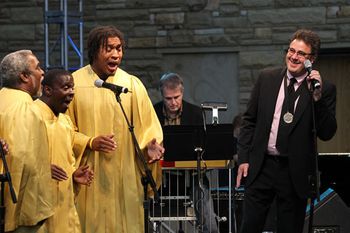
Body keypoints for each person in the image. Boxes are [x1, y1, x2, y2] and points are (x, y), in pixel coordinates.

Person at [236, 29, 337, 233]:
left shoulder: (323, 89)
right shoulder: (267, 78)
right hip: (261, 167)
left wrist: (317, 99)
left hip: (294, 173)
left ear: (312, 59)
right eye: (291, 50)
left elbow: (327, 132)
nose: (293, 56)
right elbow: (249, 121)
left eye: (301, 54)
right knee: (249, 227)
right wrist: (244, 158)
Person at [67, 25, 164, 233]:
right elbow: (61, 131)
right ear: (94, 51)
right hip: (89, 179)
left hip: (125, 179)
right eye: (109, 49)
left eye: (119, 49)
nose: (115, 54)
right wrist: (90, 142)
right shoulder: (73, 84)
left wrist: (150, 148)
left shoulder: (131, 85)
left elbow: (149, 128)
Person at [154, 72, 219, 233]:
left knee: (208, 217)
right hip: (161, 177)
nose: (173, 102)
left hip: (193, 177)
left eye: (176, 97)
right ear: (162, 95)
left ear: (182, 93)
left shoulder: (196, 113)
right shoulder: (152, 112)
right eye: (168, 99)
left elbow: (204, 146)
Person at [35, 69, 96, 233]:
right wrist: (42, 169)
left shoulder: (65, 121)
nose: (71, 93)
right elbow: (18, 155)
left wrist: (73, 174)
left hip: (65, 204)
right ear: (47, 90)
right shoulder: (31, 115)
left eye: (73, 88)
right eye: (66, 87)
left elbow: (67, 157)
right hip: (39, 207)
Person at [0, 50, 53, 232]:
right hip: (21, 213)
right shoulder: (25, 107)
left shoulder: (2, 98)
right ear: (24, 76)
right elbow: (23, 159)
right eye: (37, 67)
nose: (42, 72)